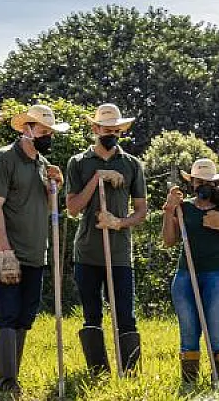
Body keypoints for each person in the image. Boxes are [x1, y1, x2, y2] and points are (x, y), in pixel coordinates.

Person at [0, 104, 68, 397]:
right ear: (26, 129)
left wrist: (56, 185)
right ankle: (4, 382)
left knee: (25, 316)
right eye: (43, 131)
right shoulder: (3, 159)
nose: (48, 137)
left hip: (35, 253)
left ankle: (13, 377)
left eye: (50, 132)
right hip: (8, 252)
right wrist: (4, 252)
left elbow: (49, 205)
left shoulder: (44, 166)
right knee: (6, 313)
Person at [64, 103, 148, 375]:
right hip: (87, 251)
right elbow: (73, 208)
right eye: (106, 129)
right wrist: (97, 178)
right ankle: (98, 372)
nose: (111, 134)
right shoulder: (78, 163)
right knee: (92, 315)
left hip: (120, 253)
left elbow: (142, 211)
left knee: (125, 316)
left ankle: (130, 373)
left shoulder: (132, 164)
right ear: (95, 128)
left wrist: (119, 222)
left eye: (116, 130)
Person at [161, 158, 219, 387]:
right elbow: (168, 241)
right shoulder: (183, 208)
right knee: (188, 332)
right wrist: (169, 210)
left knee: (217, 332)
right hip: (186, 276)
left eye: (208, 181)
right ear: (193, 183)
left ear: (215, 183)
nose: (203, 185)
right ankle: (189, 385)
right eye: (199, 181)